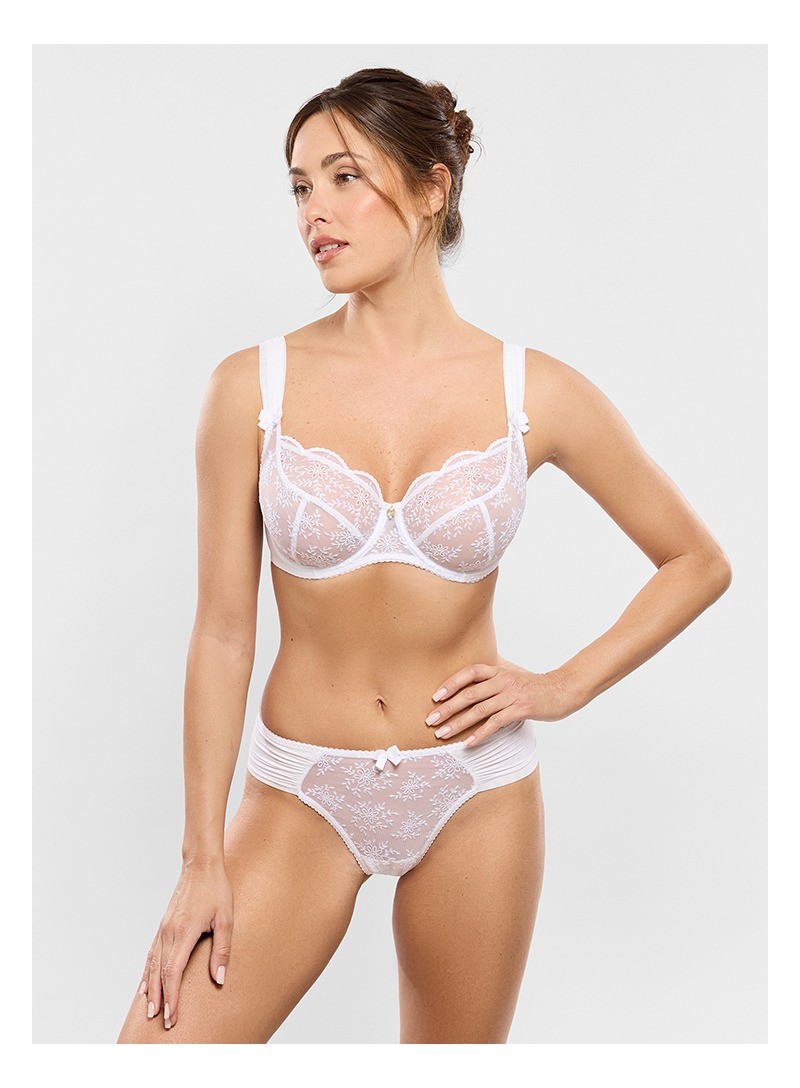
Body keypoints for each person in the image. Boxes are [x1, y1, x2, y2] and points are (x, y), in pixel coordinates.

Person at [117, 66, 732, 1045]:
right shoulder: (249, 388)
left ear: (432, 186)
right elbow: (224, 632)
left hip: (475, 793)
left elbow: (694, 560)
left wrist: (562, 685)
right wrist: (202, 858)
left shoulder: (535, 392)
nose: (314, 211)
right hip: (301, 792)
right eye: (299, 186)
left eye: (343, 176)